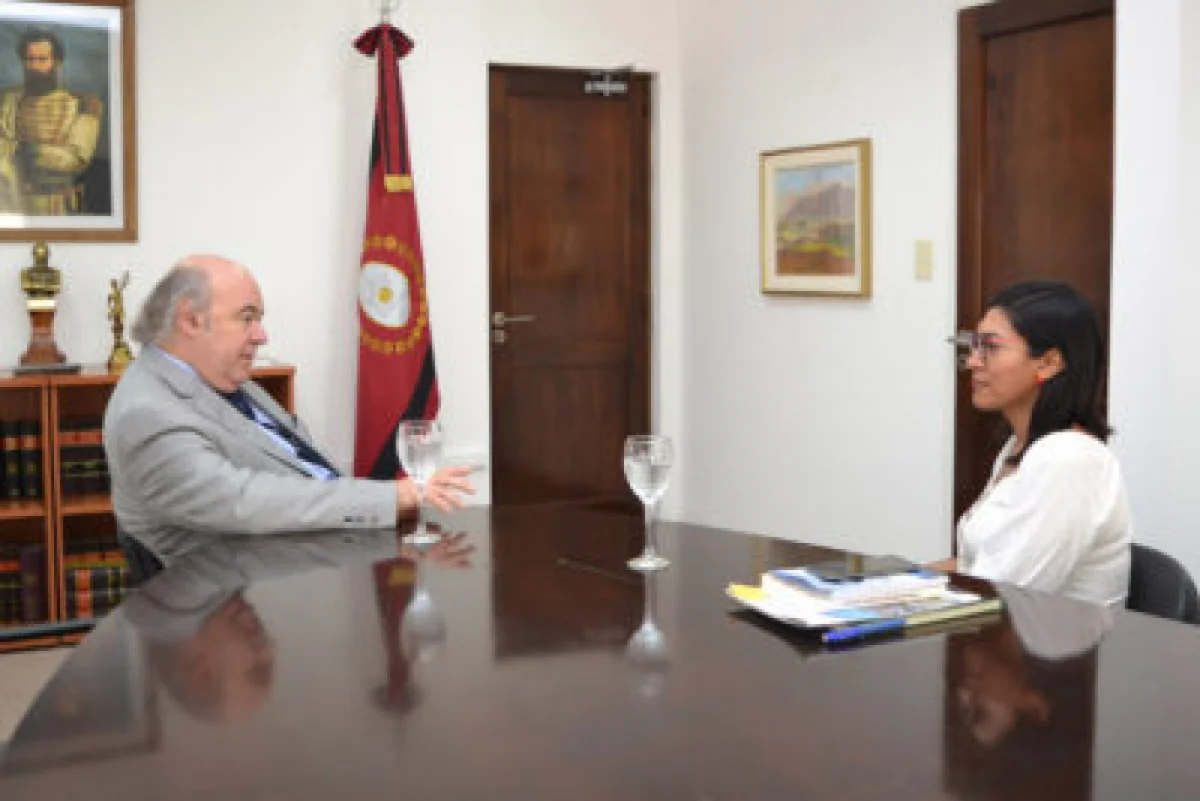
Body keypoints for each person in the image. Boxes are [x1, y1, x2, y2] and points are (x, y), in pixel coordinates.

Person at [103, 254, 473, 562]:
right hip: (235, 603)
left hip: (320, 554)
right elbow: (242, 501)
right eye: (246, 317)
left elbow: (304, 465)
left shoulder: (226, 379)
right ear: (190, 319)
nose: (261, 335)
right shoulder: (146, 411)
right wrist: (392, 497)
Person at [938, 280, 1132, 606]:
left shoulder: (1069, 460)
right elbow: (975, 567)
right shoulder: (1020, 447)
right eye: (975, 345)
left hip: (1040, 637)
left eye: (990, 347)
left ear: (1049, 363)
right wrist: (884, 583)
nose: (972, 361)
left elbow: (1001, 595)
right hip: (998, 629)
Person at [0, 29, 103, 215]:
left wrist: (28, 150)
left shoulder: (83, 103)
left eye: (42, 59)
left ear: (57, 62)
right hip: (10, 202)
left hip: (57, 204)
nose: (34, 66)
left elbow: (77, 159)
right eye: (29, 59)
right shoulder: (6, 101)